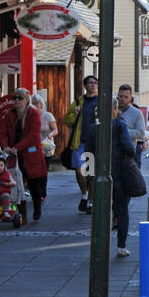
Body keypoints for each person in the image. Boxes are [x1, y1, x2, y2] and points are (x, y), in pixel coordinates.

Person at [0, 87, 48, 221]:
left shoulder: (33, 114)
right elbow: (1, 132)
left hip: (31, 154)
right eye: (15, 98)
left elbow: (33, 136)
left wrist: (17, 147)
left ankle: (37, 207)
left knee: (33, 183)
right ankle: (22, 213)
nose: (16, 101)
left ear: (26, 100)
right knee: (17, 183)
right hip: (15, 155)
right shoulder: (10, 115)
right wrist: (5, 146)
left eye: (20, 98)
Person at [63, 75, 100, 214]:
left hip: (93, 142)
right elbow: (68, 121)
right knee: (80, 170)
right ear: (85, 86)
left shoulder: (100, 101)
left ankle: (90, 200)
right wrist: (75, 113)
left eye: (95, 83)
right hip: (80, 141)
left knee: (90, 173)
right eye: (90, 83)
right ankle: (84, 194)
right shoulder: (79, 101)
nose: (93, 85)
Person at [110, 96, 136, 256]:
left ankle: (99, 244)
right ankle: (121, 246)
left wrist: (91, 175)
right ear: (114, 110)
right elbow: (129, 149)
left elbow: (89, 152)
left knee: (102, 209)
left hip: (100, 174)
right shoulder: (119, 125)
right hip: (119, 173)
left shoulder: (94, 127)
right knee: (122, 210)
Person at [117, 85, 147, 162]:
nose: (122, 99)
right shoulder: (112, 111)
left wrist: (123, 131)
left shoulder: (136, 113)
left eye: (126, 97)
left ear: (130, 98)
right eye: (121, 96)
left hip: (128, 151)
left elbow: (141, 133)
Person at [31, 94, 57, 159]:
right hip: (33, 147)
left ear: (41, 104)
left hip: (46, 146)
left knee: (45, 167)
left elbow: (55, 130)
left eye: (36, 103)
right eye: (32, 103)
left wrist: (50, 135)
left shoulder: (48, 116)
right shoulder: (29, 117)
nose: (34, 105)